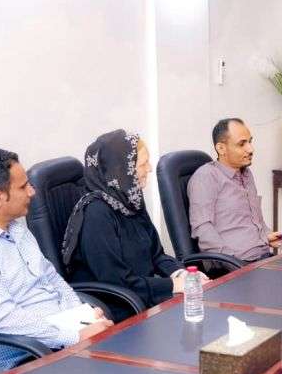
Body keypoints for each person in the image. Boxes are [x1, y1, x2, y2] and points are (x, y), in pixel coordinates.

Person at [0, 149, 113, 370]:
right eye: (23, 186)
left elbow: (52, 278)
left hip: (62, 340)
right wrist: (74, 335)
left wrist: (84, 316)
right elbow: (4, 319)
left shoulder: (17, 229)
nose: (32, 192)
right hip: (26, 359)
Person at [63, 130, 207, 317]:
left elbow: (157, 255)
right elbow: (117, 281)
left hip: (142, 294)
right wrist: (173, 285)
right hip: (120, 305)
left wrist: (183, 275)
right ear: (122, 169)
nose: (149, 169)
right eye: (143, 164)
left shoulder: (131, 199)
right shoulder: (95, 213)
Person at [188, 118, 282, 262]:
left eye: (250, 141)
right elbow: (203, 228)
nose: (250, 149)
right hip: (236, 264)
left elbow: (252, 221)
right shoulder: (206, 176)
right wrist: (232, 262)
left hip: (262, 258)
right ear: (221, 148)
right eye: (242, 144)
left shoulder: (246, 174)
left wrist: (267, 236)